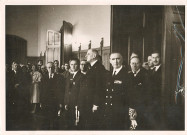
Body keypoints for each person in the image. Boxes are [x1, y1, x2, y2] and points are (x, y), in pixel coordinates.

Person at [78, 49, 106, 129]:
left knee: (92, 126)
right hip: (88, 103)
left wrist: (96, 104)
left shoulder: (98, 68)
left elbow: (99, 87)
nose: (86, 56)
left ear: (94, 56)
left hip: (92, 104)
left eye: (88, 54)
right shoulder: (93, 67)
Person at [102, 52, 129, 130]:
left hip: (120, 111)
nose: (116, 61)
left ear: (122, 60)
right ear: (110, 61)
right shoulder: (108, 74)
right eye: (113, 59)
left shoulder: (127, 75)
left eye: (118, 59)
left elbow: (129, 95)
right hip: (108, 110)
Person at [40, 62, 65, 130]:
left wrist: (60, 102)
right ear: (46, 68)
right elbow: (41, 91)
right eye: (49, 67)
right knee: (46, 121)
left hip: (55, 102)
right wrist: (41, 102)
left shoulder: (60, 77)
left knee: (55, 121)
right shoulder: (44, 78)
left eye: (52, 67)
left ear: (54, 68)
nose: (50, 69)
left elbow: (62, 91)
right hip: (46, 102)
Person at [128, 56, 150, 130]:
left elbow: (146, 94)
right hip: (129, 106)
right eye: (133, 63)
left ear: (140, 64)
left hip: (140, 107)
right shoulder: (128, 75)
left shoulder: (146, 75)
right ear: (130, 64)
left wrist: (135, 108)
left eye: (136, 63)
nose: (134, 65)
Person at [64, 58, 82, 129]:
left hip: (77, 104)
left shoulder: (82, 76)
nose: (73, 66)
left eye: (75, 64)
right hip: (69, 104)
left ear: (78, 65)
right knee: (69, 124)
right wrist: (66, 102)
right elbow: (67, 90)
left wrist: (78, 104)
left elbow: (81, 93)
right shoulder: (69, 76)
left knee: (76, 126)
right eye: (71, 65)